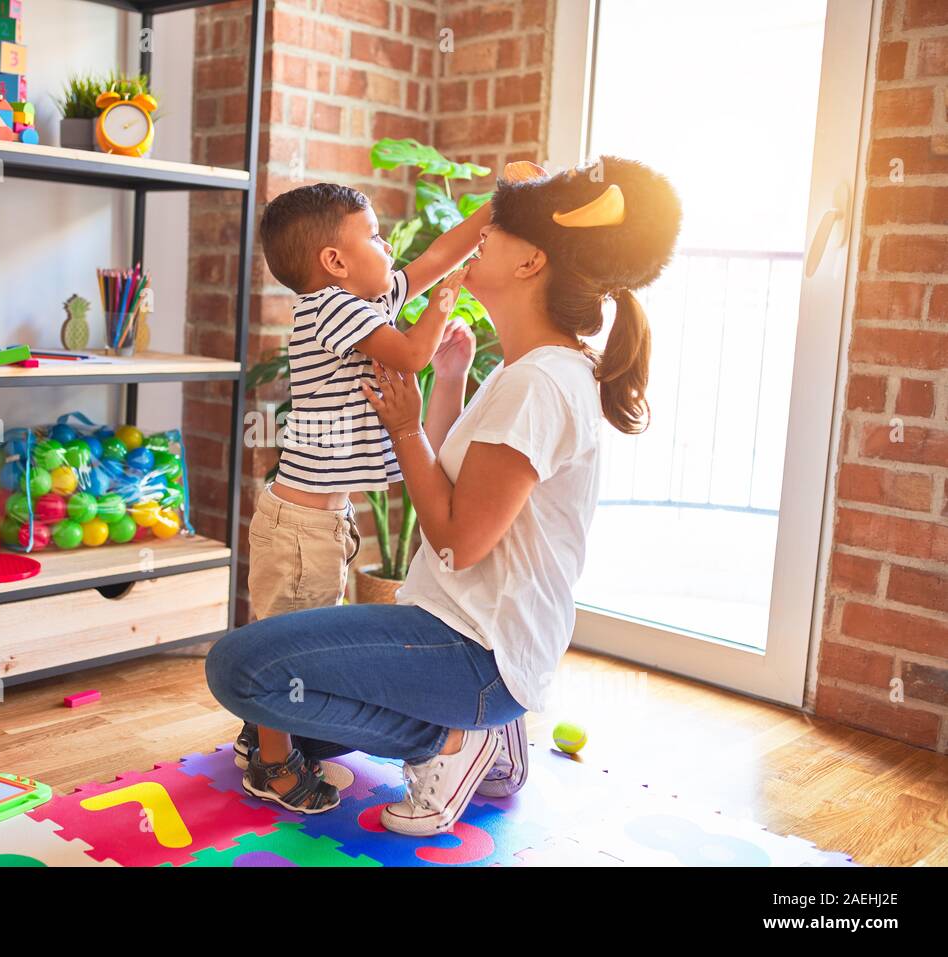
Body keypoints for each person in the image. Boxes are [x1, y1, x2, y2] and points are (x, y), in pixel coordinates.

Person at [208, 157, 682, 834]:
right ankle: (481, 735)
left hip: (473, 650)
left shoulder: (539, 383)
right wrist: (450, 385)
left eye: (501, 230)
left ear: (530, 265)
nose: (481, 237)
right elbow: (457, 479)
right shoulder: (525, 370)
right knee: (285, 713)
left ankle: (456, 740)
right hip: (452, 626)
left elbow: (455, 538)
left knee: (242, 670)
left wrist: (404, 425)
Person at [239, 178, 505, 813]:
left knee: (299, 641)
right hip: (299, 526)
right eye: (376, 237)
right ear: (335, 263)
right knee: (284, 642)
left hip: (322, 524)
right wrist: (445, 304)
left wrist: (497, 209)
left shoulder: (367, 299)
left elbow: (439, 253)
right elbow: (412, 352)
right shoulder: (331, 309)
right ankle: (271, 766)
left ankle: (263, 736)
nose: (389, 248)